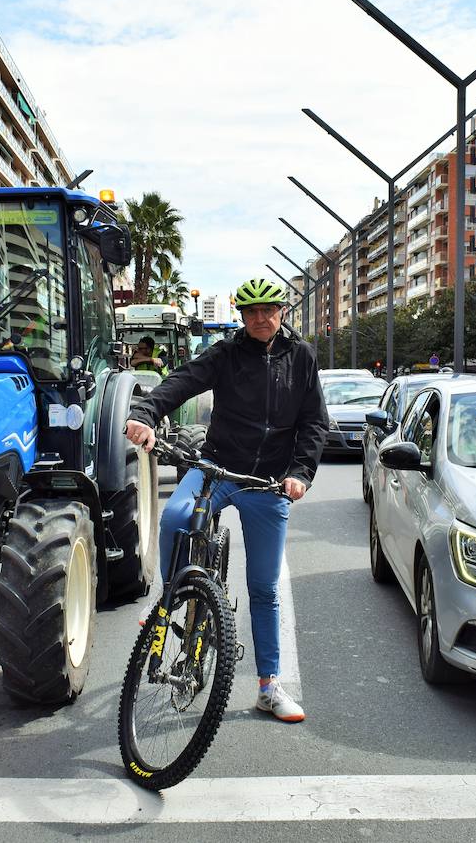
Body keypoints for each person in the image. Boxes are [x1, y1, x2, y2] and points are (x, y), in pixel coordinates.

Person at [125, 277, 329, 723]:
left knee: (263, 588)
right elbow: (180, 382)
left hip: (269, 482)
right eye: (251, 312)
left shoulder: (303, 358)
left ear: (282, 311)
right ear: (241, 316)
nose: (260, 318)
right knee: (175, 517)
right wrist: (144, 413)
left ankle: (268, 687)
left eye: (267, 310)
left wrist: (300, 473)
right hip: (216, 467)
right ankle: (172, 598)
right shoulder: (227, 353)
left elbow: (315, 423)